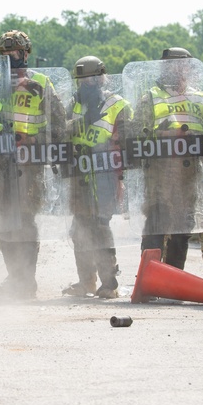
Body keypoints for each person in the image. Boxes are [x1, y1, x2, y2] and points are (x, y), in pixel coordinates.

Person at [129, 47, 203, 270]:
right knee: (155, 226)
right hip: (159, 175)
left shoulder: (202, 99)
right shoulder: (150, 98)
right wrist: (162, 134)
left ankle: (174, 278)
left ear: (189, 68)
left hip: (189, 177)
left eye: (181, 65)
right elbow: (136, 135)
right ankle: (149, 277)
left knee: (182, 228)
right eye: (171, 66)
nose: (177, 70)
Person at [0, 29, 66, 298]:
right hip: (0, 163)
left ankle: (26, 280)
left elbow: (58, 122)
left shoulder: (42, 83)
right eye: (3, 54)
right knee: (3, 222)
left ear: (26, 53)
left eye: (13, 53)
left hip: (30, 164)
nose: (9, 59)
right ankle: (13, 277)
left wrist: (43, 145)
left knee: (25, 220)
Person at [62, 56, 131, 299]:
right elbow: (62, 133)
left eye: (91, 78)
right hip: (79, 174)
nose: (86, 83)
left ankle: (109, 283)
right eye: (81, 79)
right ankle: (86, 282)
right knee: (79, 227)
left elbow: (126, 144)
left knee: (100, 226)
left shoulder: (117, 104)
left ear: (101, 77)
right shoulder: (73, 104)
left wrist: (121, 178)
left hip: (105, 176)